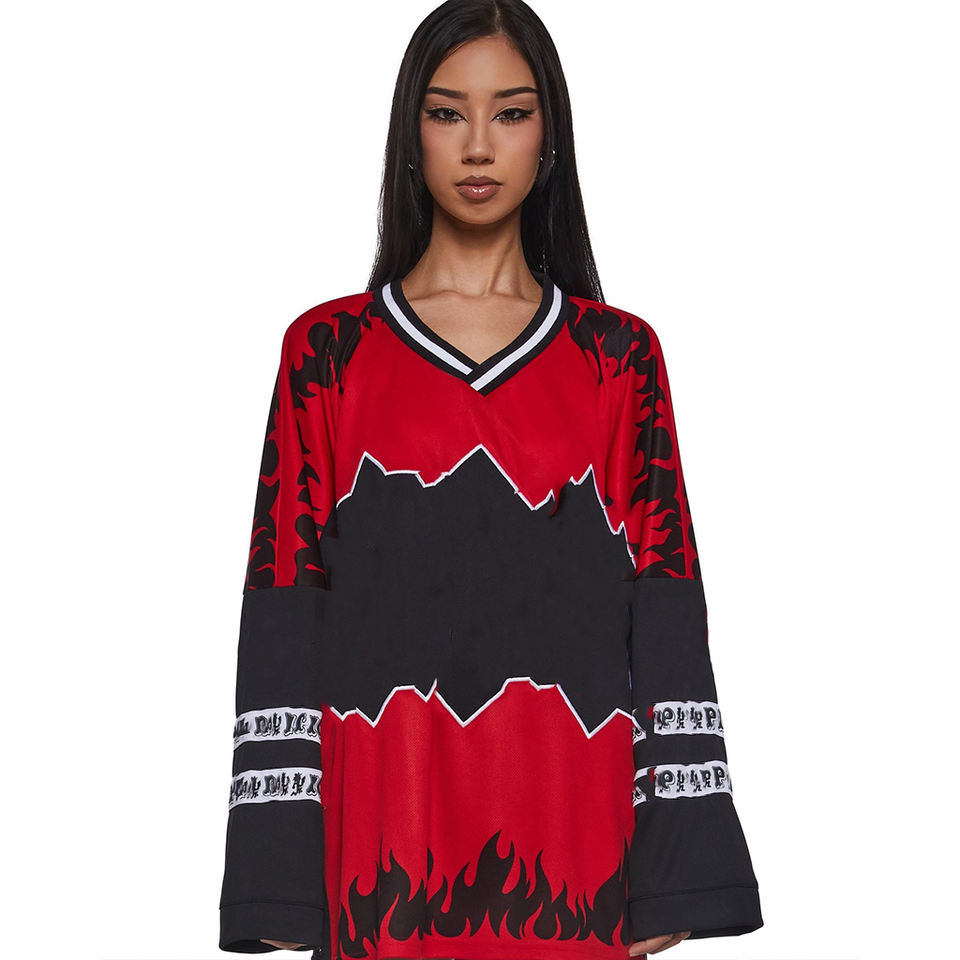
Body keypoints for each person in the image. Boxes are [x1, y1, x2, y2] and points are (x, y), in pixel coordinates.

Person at [218, 1, 763, 958]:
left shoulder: (618, 357)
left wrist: (672, 877)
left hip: (577, 853)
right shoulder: (328, 352)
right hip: (380, 855)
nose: (478, 145)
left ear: (550, 135)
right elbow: (284, 607)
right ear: (411, 132)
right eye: (446, 113)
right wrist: (279, 885)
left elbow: (667, 604)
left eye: (510, 112)